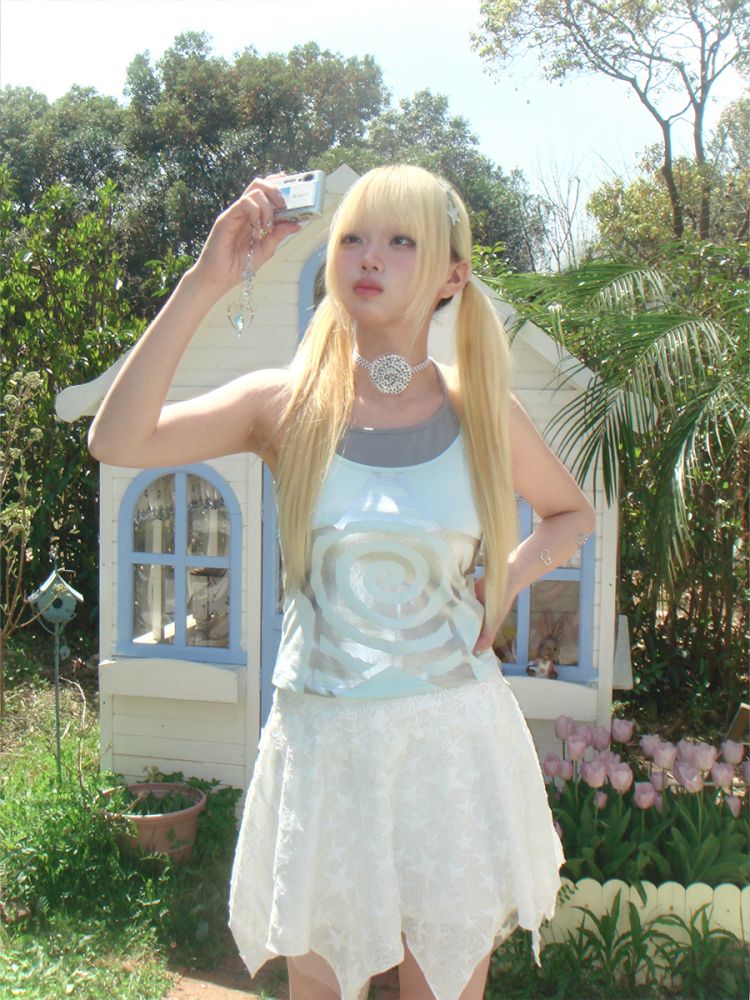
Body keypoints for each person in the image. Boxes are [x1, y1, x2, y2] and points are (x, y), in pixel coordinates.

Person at [89, 164, 595, 1000]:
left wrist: (504, 581)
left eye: (401, 241)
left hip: (451, 742)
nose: (369, 255)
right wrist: (207, 278)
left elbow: (571, 514)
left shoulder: (481, 408)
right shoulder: (286, 402)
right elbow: (118, 439)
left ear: (452, 277)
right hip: (324, 743)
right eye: (353, 236)